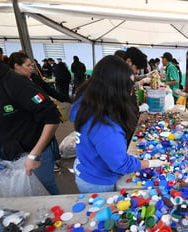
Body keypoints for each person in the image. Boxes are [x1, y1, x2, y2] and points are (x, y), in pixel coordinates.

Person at [0, 35, 60, 195]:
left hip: (34, 155)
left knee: (47, 201)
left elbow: (51, 117)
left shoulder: (14, 83)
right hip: (3, 160)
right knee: (18, 206)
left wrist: (34, 154)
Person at [69, 55, 166, 193]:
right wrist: (149, 163)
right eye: (128, 87)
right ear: (114, 88)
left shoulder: (87, 101)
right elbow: (120, 164)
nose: (131, 91)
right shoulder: (105, 123)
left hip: (85, 168)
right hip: (98, 182)